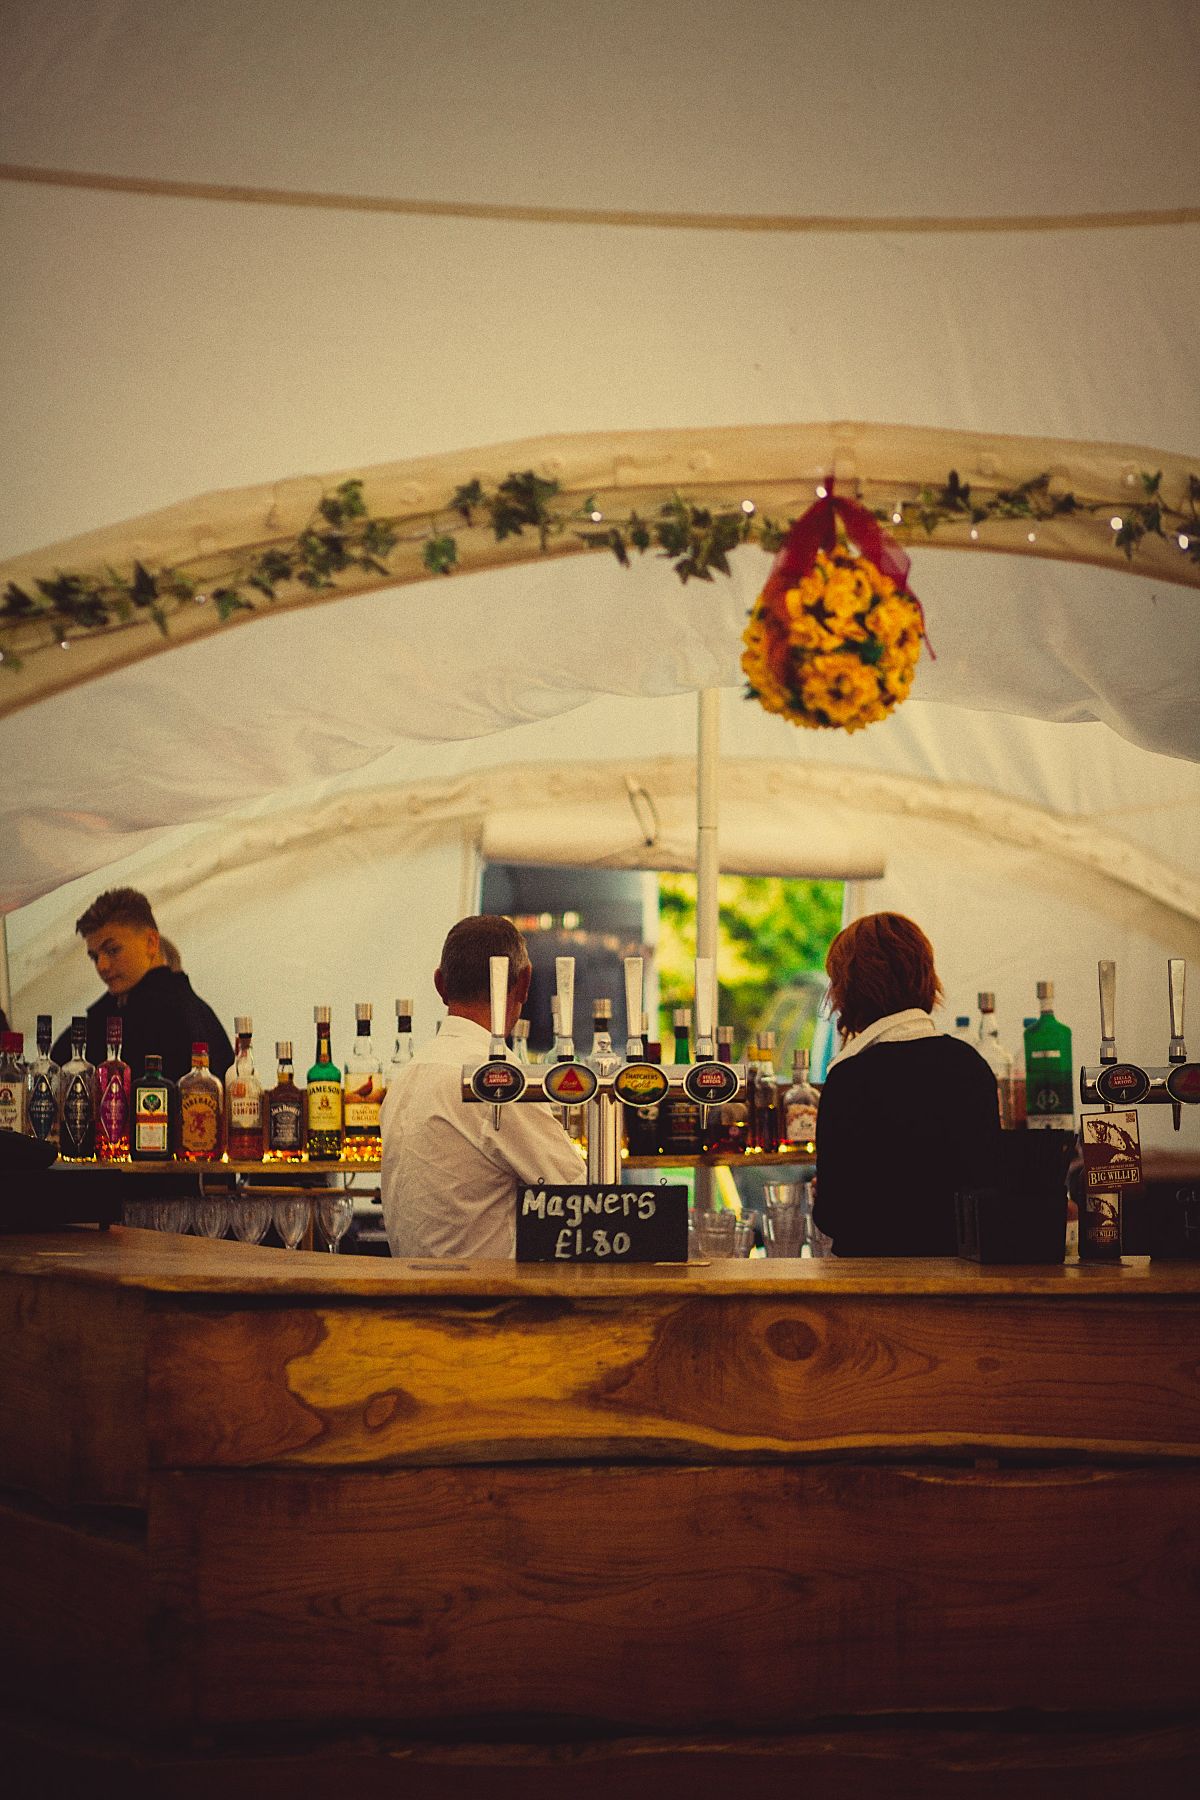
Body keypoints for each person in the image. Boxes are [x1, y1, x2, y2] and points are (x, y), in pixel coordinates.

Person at [381, 915, 585, 1259]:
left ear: (440, 985)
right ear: (524, 983)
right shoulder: (497, 1081)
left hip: (412, 1287)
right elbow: (579, 1191)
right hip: (486, 1290)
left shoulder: (406, 1078)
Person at [812, 912, 1001, 1257]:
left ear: (851, 989)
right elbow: (986, 1188)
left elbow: (833, 1215)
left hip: (869, 1280)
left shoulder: (849, 1078)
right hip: (959, 1277)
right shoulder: (970, 1066)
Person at [50, 887, 233, 1082]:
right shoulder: (194, 1010)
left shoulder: (166, 1016)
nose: (101, 966)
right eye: (94, 957)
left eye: (112, 950)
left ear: (151, 942)